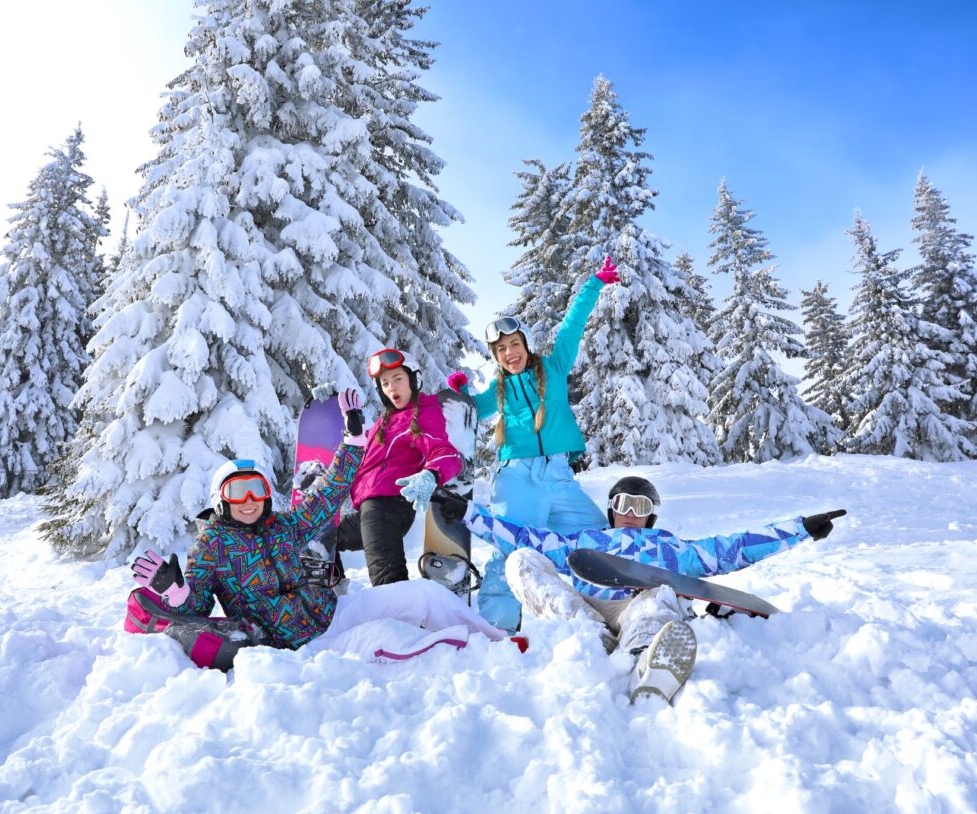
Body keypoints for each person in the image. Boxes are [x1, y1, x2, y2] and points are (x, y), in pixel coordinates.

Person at [124, 389, 511, 671]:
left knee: (425, 595)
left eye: (256, 490)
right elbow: (197, 610)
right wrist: (175, 590)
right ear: (220, 499)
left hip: (335, 611)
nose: (249, 500)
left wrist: (353, 443)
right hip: (302, 646)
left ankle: (500, 643)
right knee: (391, 641)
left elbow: (327, 494)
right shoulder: (212, 548)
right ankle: (463, 657)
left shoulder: (284, 527)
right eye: (237, 492)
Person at [432, 475, 846, 703]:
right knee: (520, 559)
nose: (630, 513)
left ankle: (645, 660)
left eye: (641, 506)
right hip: (585, 607)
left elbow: (733, 547)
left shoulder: (672, 548)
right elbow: (521, 536)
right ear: (611, 510)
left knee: (661, 596)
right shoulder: (585, 541)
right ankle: (588, 641)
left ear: (651, 516)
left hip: (638, 606)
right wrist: (468, 513)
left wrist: (800, 530)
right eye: (623, 505)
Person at [447, 255, 621, 631]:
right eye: (501, 350)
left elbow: (572, 325)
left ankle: (608, 610)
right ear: (496, 357)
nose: (510, 353)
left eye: (514, 344)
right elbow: (472, 410)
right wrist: (460, 394)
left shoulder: (554, 367)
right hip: (517, 477)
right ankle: (499, 629)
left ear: (525, 343)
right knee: (510, 549)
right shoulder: (499, 390)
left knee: (595, 540)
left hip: (558, 476)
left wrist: (594, 284)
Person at [331, 348, 464, 587]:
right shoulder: (383, 423)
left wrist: (431, 474)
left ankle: (401, 621)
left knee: (388, 585)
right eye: (385, 383)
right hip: (370, 510)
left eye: (398, 379)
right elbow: (360, 459)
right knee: (325, 538)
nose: (392, 387)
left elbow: (446, 453)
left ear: (414, 379)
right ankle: (334, 590)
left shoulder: (424, 412)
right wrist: (346, 424)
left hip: (390, 506)